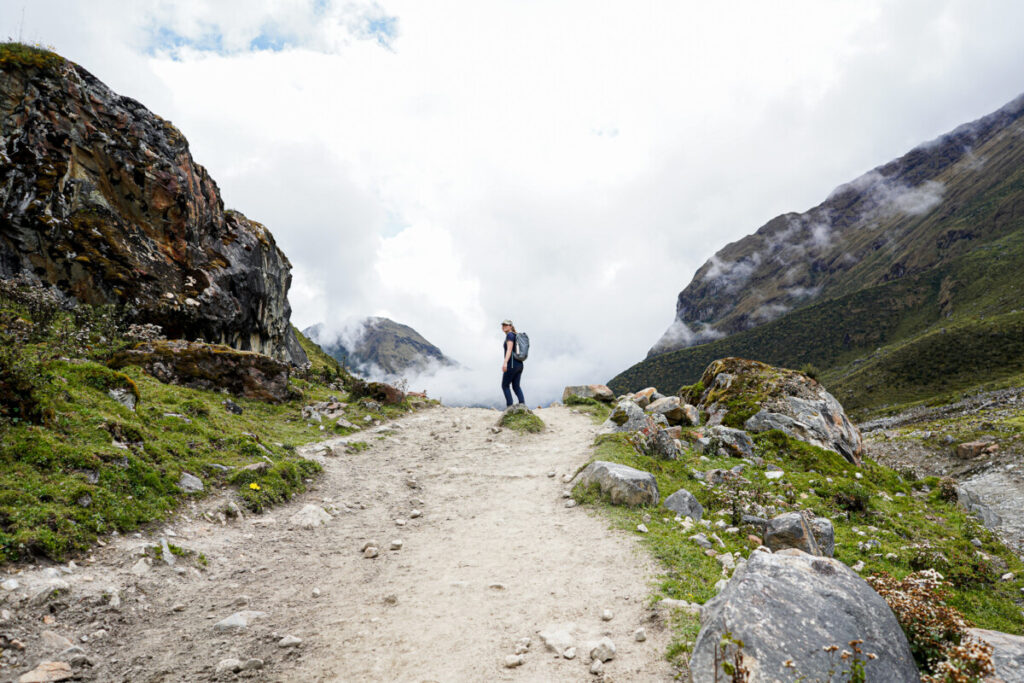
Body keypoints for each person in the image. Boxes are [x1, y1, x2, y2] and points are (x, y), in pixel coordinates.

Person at [500, 319, 525, 407]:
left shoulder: (510, 335)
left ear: (510, 326)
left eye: (506, 325)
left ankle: (509, 407)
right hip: (519, 364)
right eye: (503, 325)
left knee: (505, 385)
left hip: (512, 364)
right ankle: (522, 406)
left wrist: (505, 362)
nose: (504, 326)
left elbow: (509, 349)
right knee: (516, 386)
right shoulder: (515, 335)